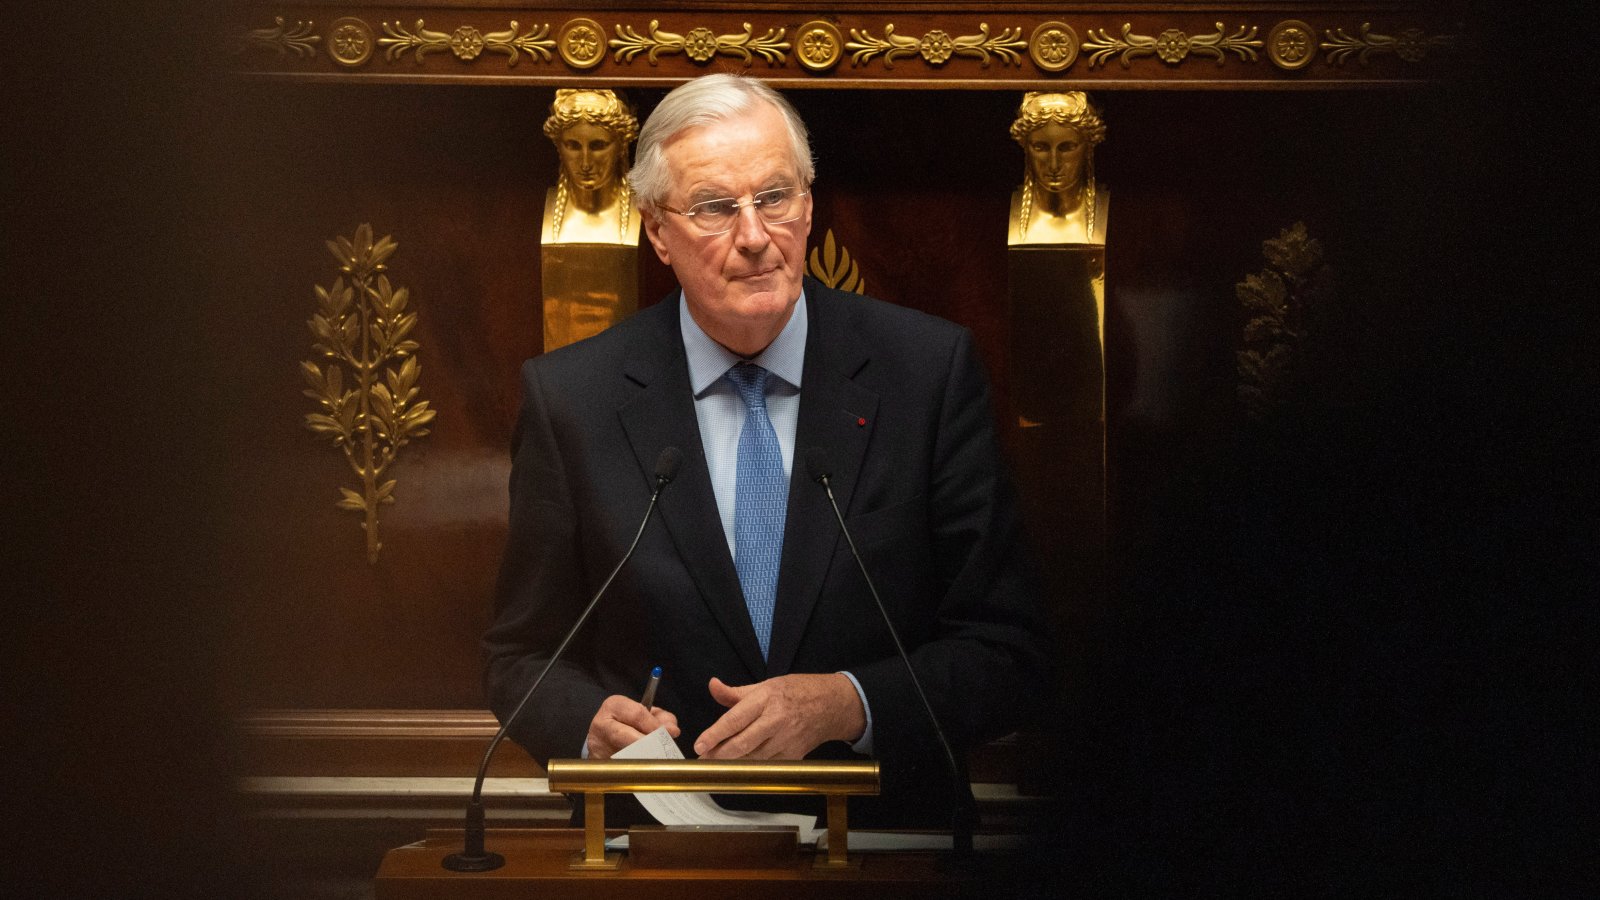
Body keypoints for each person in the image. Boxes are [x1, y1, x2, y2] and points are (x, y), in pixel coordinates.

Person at [486, 73, 1050, 827]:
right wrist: (585, 723)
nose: (753, 236)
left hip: (887, 845)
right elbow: (522, 656)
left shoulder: (926, 374)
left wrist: (849, 702)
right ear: (657, 231)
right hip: (660, 853)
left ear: (809, 207)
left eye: (774, 197)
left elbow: (1009, 650)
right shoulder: (573, 400)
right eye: (714, 207)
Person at [1007, 91, 1108, 245]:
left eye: (1067, 148)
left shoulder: (1114, 212)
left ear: (1088, 147)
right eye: (1041, 147)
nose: (1054, 165)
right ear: (1026, 147)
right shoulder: (1000, 212)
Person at [541, 88, 639, 246]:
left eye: (598, 146)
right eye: (573, 146)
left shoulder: (639, 209)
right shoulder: (546, 210)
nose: (585, 164)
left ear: (622, 145)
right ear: (558, 146)